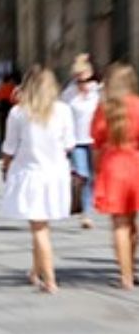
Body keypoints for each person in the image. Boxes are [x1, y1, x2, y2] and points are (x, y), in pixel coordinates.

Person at [1, 65, 75, 294]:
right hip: (55, 175)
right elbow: (69, 144)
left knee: (39, 228)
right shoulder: (63, 110)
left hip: (31, 174)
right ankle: (35, 270)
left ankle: (50, 280)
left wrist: (5, 167)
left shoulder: (19, 113)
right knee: (40, 224)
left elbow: (10, 147)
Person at [91, 62, 139, 290]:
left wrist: (97, 171)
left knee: (119, 224)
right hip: (135, 165)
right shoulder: (138, 106)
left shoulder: (104, 109)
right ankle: (131, 265)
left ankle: (125, 276)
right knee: (132, 223)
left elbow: (97, 145)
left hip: (112, 167)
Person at [61, 53, 100, 229]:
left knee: (93, 176)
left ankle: (88, 206)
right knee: (82, 175)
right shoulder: (69, 94)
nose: (82, 83)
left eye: (85, 79)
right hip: (76, 140)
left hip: (94, 140)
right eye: (78, 80)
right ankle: (85, 213)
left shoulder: (97, 93)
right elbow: (61, 114)